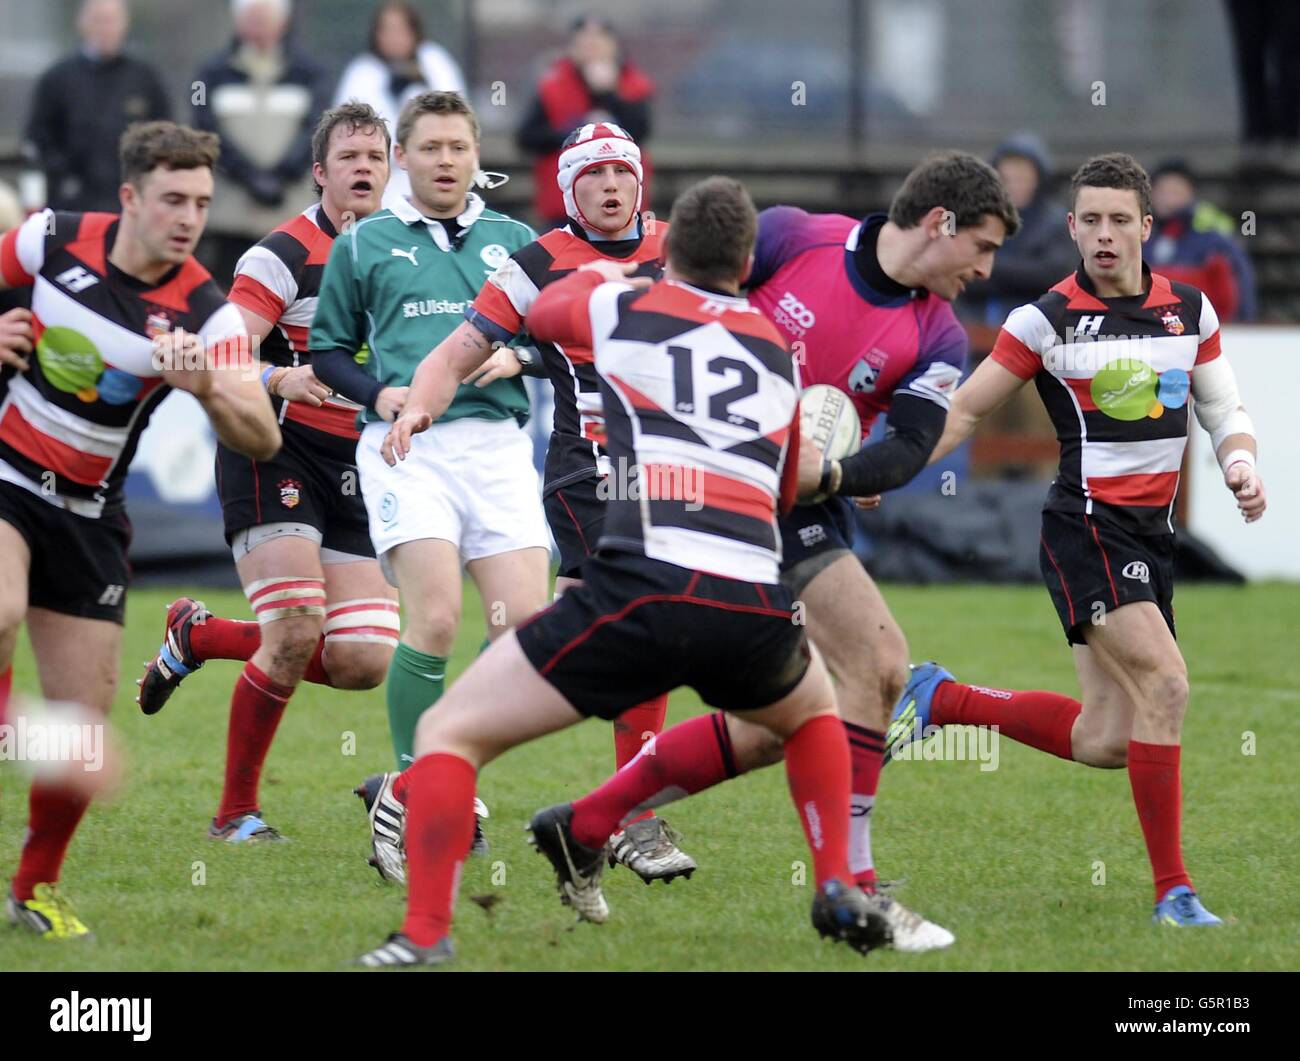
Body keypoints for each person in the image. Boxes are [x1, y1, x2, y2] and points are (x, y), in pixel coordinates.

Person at [376, 151, 1011, 952]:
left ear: (665, 249)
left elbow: (546, 316)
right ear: (750, 264)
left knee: (454, 729)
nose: (986, 269)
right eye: (983, 247)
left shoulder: (622, 307)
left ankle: (426, 932)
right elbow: (790, 475)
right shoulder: (777, 355)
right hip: (748, 580)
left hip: (644, 574)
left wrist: (594, 284)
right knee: (818, 711)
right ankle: (831, 881)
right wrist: (822, 471)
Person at [888, 153, 1266, 927]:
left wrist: (1239, 463)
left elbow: (1225, 410)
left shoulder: (1188, 311)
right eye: (1090, 219)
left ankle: (942, 697)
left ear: (1145, 226)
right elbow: (966, 411)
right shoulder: (1047, 319)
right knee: (1168, 685)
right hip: (1086, 528)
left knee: (1106, 737)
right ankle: (1175, 894)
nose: (1104, 234)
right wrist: (887, 467)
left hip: (1152, 539)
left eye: (1119, 219)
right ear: (1070, 227)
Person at [374, 122, 693, 884]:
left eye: (621, 172)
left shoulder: (680, 247)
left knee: (563, 654)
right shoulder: (537, 263)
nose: (610, 186)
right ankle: (630, 820)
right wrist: (419, 406)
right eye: (593, 176)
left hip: (673, 472)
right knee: (649, 624)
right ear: (569, 190)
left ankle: (413, 788)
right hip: (591, 475)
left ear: (641, 180)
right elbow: (458, 350)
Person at [0, 121, 281, 938]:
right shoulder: (50, 239)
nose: (189, 217)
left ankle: (34, 890)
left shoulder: (206, 313)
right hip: (8, 477)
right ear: (129, 196)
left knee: (83, 742)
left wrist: (207, 390)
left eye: (201, 202)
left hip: (91, 516)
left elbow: (262, 436)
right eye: (172, 199)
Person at [135, 103, 400, 843]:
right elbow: (226, 354)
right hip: (273, 451)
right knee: (294, 630)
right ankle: (236, 816)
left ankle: (200, 635)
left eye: (375, 157)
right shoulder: (280, 254)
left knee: (363, 660)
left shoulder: (408, 254)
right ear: (319, 171)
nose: (363, 168)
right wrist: (281, 379)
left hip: (359, 466)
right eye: (348, 157)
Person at [308, 93, 548, 853]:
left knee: (524, 632)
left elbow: (562, 338)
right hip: (406, 448)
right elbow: (326, 352)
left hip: (499, 448)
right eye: (430, 148)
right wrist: (377, 394)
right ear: (402, 158)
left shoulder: (517, 241)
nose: (446, 161)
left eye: (459, 147)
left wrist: (522, 355)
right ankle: (423, 795)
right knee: (437, 619)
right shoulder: (363, 243)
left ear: (477, 157)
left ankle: (433, 770)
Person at [193, 0, 329, 286]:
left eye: (265, 19)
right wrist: (248, 177)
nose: (258, 28)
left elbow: (319, 127)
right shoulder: (208, 75)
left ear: (283, 22)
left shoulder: (311, 73)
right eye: (252, 19)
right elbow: (203, 126)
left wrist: (282, 176)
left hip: (291, 214)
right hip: (230, 219)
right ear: (238, 22)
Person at [24, 0, 171, 213]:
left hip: (130, 204)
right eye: (98, 20)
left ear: (125, 24)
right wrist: (64, 178)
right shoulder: (57, 79)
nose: (105, 28)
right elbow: (38, 139)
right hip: (71, 206)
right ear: (82, 23)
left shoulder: (145, 79)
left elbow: (164, 137)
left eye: (111, 20)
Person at [516, 15, 654, 230]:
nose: (592, 50)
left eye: (598, 42)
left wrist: (607, 93)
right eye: (584, 43)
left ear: (613, 46)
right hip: (563, 209)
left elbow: (641, 131)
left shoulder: (633, 84)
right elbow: (527, 138)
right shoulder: (552, 84)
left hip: (623, 207)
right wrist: (575, 134)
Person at [333, 2, 466, 209]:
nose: (394, 37)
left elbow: (457, 120)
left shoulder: (434, 65)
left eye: (401, 29)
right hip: (378, 183)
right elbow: (346, 134)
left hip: (434, 176)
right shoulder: (362, 74)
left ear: (414, 31)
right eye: (387, 30)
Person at [958, 133, 1076, 325]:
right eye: (1007, 178)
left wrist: (994, 270)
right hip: (978, 322)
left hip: (1037, 323)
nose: (1014, 185)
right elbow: (963, 274)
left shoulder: (1055, 222)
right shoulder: (978, 218)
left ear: (1038, 179)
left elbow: (1053, 274)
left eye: (1022, 177)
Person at [1147, 158, 1256, 322]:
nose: (1167, 199)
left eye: (1174, 192)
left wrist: (1242, 326)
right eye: (1161, 192)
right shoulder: (1143, 235)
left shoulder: (1214, 237)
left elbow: (1240, 283)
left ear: (1190, 193)